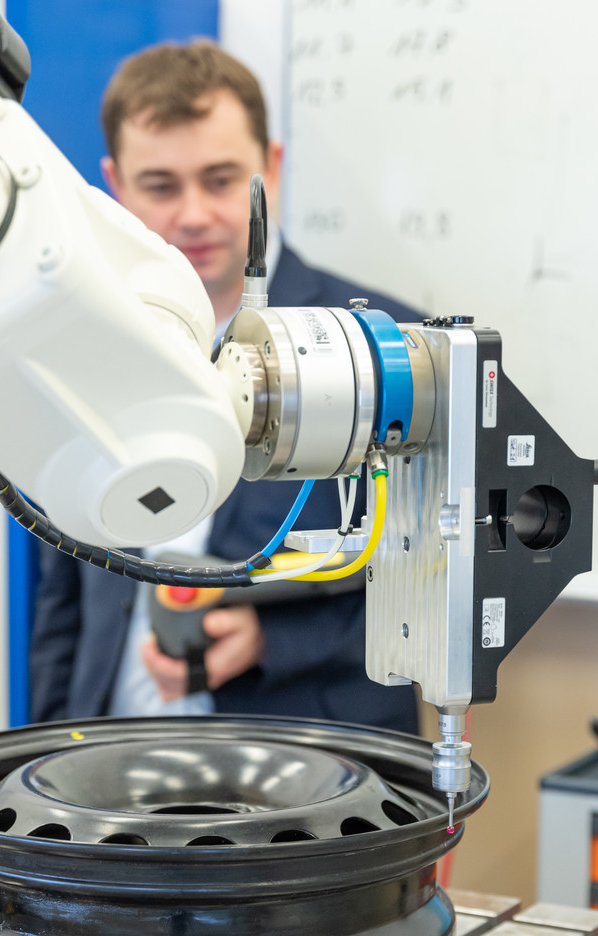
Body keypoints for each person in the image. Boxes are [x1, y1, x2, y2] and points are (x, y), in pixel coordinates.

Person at [29, 41, 420, 734]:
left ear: (272, 166)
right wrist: (46, 752)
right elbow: (62, 584)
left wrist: (275, 640)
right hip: (110, 756)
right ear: (115, 185)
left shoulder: (389, 348)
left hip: (312, 761)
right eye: (160, 186)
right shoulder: (79, 347)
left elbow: (441, 580)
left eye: (220, 179)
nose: (194, 214)